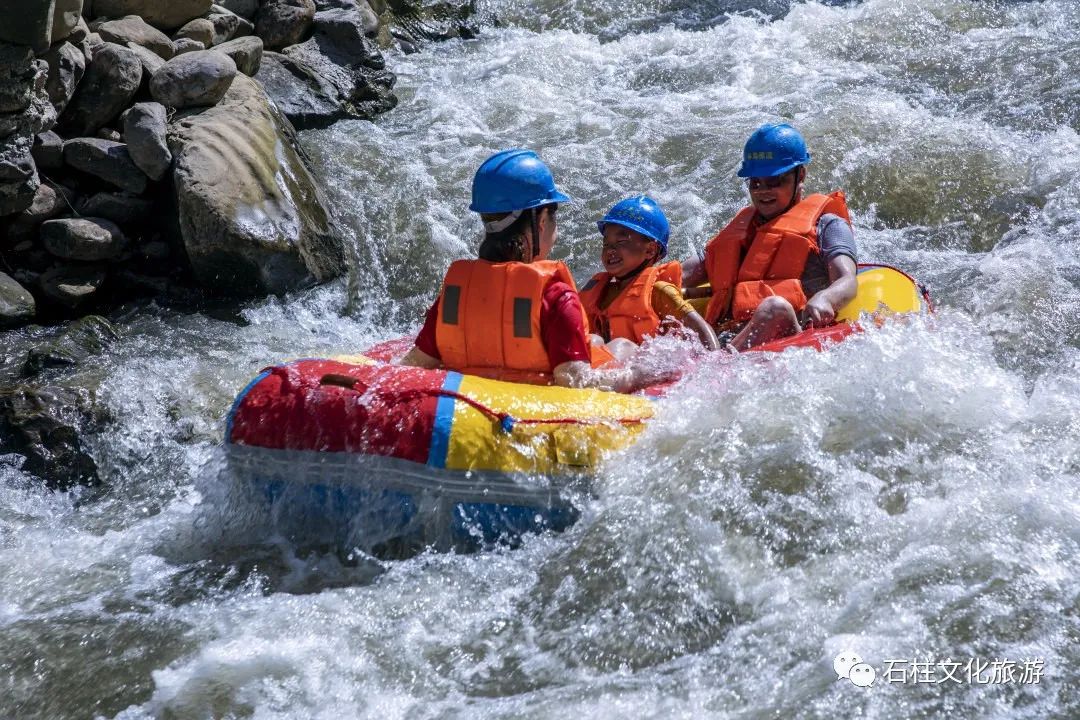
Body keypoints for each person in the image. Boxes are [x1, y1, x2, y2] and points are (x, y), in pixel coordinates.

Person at [398, 149, 673, 392]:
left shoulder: (455, 293)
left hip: (467, 400)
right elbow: (575, 382)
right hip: (532, 408)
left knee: (599, 341)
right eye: (554, 218)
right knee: (622, 348)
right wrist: (638, 376)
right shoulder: (555, 295)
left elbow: (414, 366)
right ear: (541, 220)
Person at [682, 123, 858, 350]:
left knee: (775, 309)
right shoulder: (739, 232)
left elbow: (847, 280)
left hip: (792, 336)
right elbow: (683, 274)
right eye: (755, 183)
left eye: (775, 181)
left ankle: (717, 368)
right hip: (729, 339)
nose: (763, 191)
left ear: (800, 175)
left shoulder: (828, 226)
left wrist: (826, 298)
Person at [579, 196, 719, 356]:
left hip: (642, 368)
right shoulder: (599, 290)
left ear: (650, 250)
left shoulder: (659, 292)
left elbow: (702, 330)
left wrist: (714, 361)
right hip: (606, 364)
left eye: (621, 242)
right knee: (593, 340)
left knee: (619, 346)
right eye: (606, 243)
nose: (610, 250)